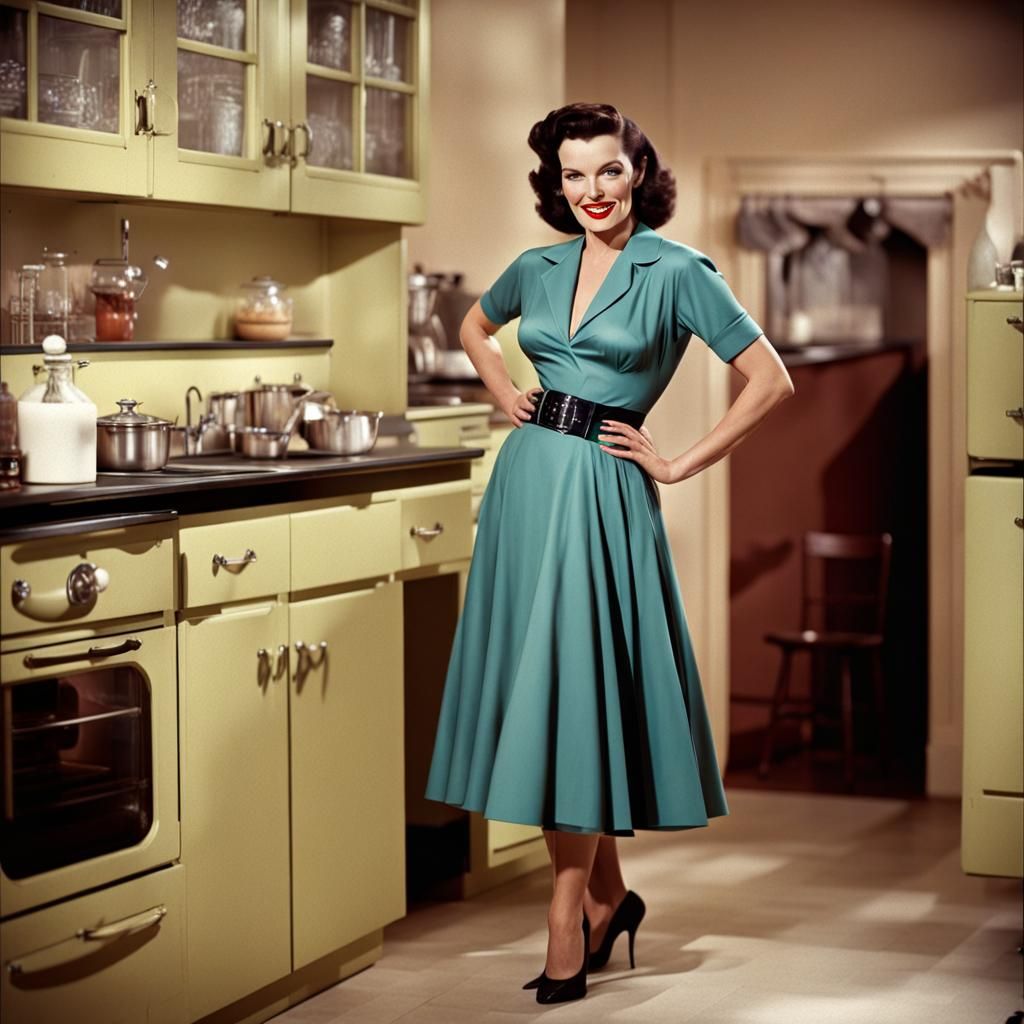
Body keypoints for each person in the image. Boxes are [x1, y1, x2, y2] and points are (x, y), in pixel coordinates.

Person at [424, 102, 795, 1004]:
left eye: (608, 171)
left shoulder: (679, 270)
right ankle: (608, 899)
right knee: (551, 695)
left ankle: (565, 916)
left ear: (639, 174)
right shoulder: (538, 265)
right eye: (573, 174)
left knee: (576, 696)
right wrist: (503, 387)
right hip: (525, 486)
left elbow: (770, 378)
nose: (591, 190)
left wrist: (679, 462)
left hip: (600, 494)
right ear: (556, 183)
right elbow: (472, 328)